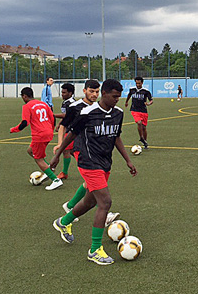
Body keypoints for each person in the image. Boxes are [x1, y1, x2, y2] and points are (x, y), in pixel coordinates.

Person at [51, 79, 137, 266]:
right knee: (105, 202)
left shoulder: (118, 113)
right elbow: (71, 134)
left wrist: (128, 160)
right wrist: (57, 155)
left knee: (90, 200)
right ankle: (95, 249)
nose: (117, 99)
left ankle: (63, 222)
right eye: (114, 96)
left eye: (119, 96)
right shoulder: (87, 113)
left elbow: (116, 137)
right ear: (103, 94)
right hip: (88, 162)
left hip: (105, 162)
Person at [55, 80, 120, 225]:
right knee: (95, 181)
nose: (94, 94)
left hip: (96, 150)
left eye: (97, 91)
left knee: (91, 183)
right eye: (92, 91)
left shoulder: (103, 107)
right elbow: (63, 126)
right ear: (84, 91)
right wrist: (59, 144)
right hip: (80, 148)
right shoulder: (76, 107)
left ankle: (71, 206)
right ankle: (104, 212)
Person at [10, 87, 63, 191]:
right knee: (30, 151)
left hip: (39, 135)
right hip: (48, 133)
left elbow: (24, 123)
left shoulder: (27, 106)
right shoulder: (43, 104)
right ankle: (48, 170)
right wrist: (50, 129)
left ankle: (55, 180)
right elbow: (52, 118)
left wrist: (14, 129)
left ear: (24, 96)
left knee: (38, 158)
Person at [53, 83, 76, 179]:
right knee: (71, 151)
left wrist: (52, 115)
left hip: (72, 130)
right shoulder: (66, 101)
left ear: (70, 93)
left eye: (64, 92)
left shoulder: (70, 103)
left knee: (66, 150)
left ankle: (64, 172)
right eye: (62, 92)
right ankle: (88, 166)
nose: (62, 94)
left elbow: (65, 115)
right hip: (69, 128)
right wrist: (60, 125)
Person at [125, 76, 153, 148]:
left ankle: (145, 142)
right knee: (139, 123)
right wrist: (126, 102)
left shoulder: (146, 92)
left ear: (142, 83)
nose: (138, 85)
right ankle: (141, 137)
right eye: (136, 83)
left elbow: (151, 100)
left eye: (139, 83)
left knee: (144, 127)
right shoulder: (132, 90)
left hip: (143, 110)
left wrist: (148, 103)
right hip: (134, 110)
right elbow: (129, 95)